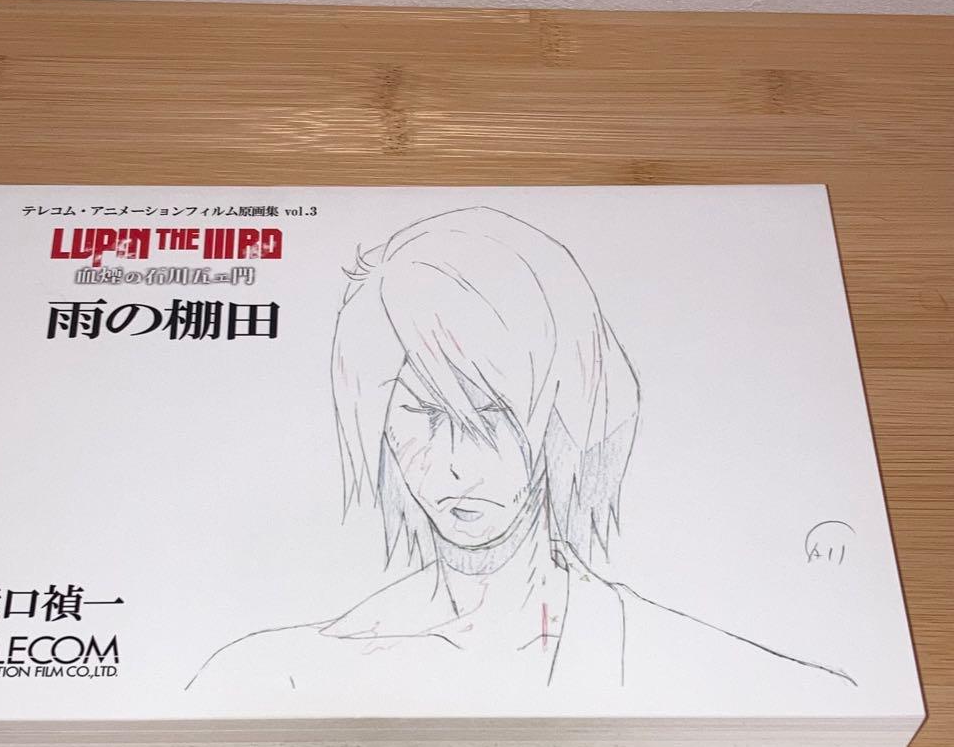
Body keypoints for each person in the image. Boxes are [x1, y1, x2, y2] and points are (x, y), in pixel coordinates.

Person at [187, 207, 854, 704]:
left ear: (564, 409)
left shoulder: (719, 672)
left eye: (493, 415)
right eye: (420, 413)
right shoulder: (280, 671)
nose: (455, 462)